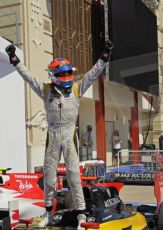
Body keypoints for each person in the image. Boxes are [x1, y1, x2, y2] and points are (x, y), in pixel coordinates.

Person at [5, 41, 113, 228]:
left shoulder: (78, 88)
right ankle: (48, 213)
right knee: (49, 178)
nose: (67, 76)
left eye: (68, 73)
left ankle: (81, 216)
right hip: (53, 137)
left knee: (74, 177)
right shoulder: (46, 90)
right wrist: (14, 60)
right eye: (63, 74)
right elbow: (28, 76)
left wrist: (104, 55)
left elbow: (93, 73)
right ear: (54, 75)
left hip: (70, 136)